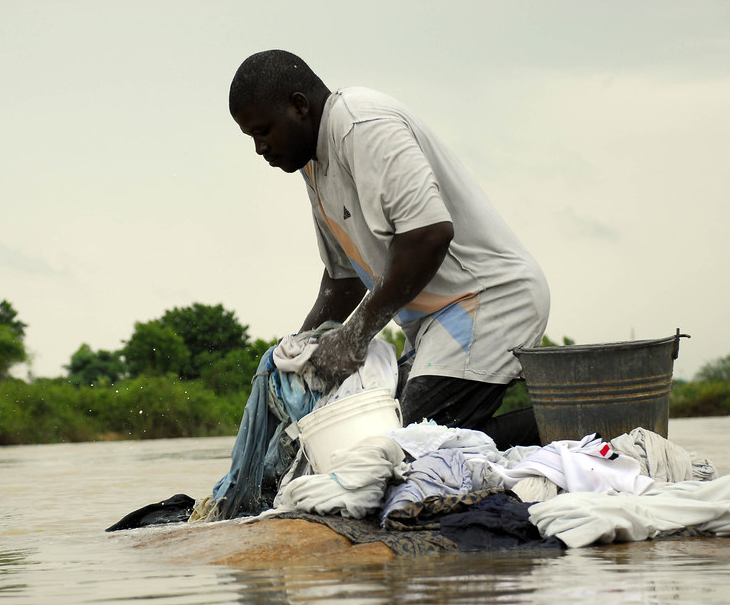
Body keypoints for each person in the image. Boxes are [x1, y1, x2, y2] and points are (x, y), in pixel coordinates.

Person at [229, 50, 550, 446]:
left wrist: (355, 336)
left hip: (489, 302)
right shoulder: (313, 165)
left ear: (299, 107)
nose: (260, 148)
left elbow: (428, 235)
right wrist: (299, 353)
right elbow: (343, 277)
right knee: (382, 436)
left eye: (263, 131)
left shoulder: (361, 125)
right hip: (435, 322)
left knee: (410, 445)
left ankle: (582, 421)